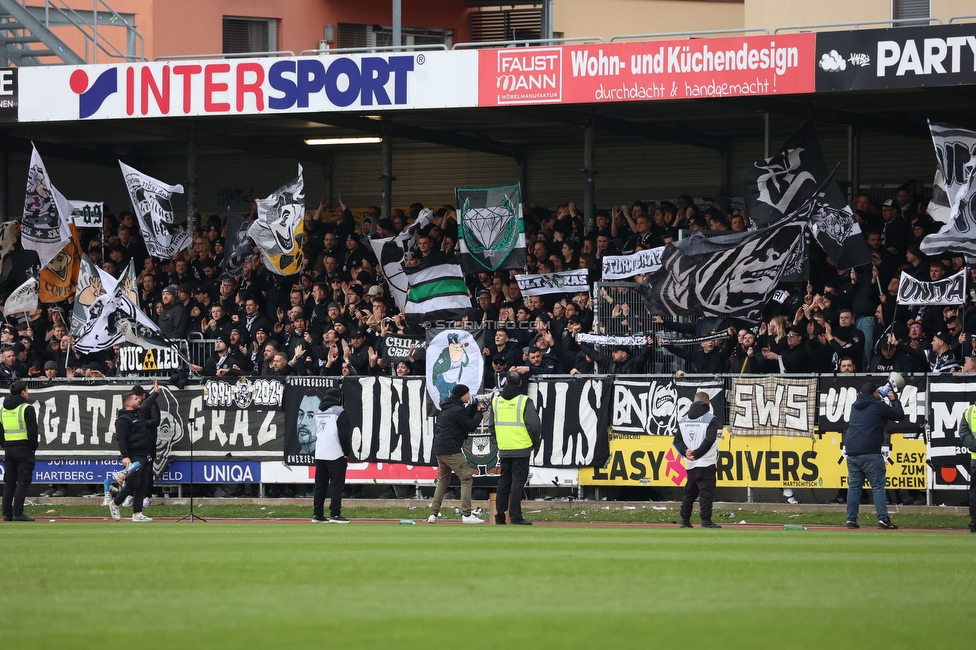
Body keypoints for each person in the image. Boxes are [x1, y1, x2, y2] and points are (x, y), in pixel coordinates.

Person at [844, 381, 904, 530]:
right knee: (877, 486)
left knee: (854, 487)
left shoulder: (855, 405)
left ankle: (851, 519)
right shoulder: (877, 405)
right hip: (870, 451)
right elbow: (899, 415)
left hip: (851, 451)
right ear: (874, 393)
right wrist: (893, 400)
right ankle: (883, 519)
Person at [428, 384, 488, 524]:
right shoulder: (456, 409)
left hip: (440, 449)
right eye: (467, 394)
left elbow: (463, 418)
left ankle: (433, 514)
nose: (469, 396)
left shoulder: (450, 407)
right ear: (461, 395)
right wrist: (480, 411)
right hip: (451, 450)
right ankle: (467, 515)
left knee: (443, 481)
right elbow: (471, 426)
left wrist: (473, 407)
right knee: (466, 478)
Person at [491, 371, 542, 525]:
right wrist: (534, 442)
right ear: (520, 384)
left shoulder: (496, 401)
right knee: (517, 483)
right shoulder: (524, 401)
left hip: (504, 447)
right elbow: (534, 426)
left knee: (504, 482)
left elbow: (491, 427)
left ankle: (499, 515)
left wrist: (500, 441)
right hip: (522, 446)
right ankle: (516, 516)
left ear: (506, 382)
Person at [108, 381, 160, 523]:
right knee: (133, 484)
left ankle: (137, 513)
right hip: (133, 455)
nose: (140, 400)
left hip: (145, 453)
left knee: (143, 484)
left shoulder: (139, 413)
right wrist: (125, 456)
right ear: (129, 403)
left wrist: (155, 393)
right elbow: (121, 438)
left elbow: (147, 404)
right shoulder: (123, 419)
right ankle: (115, 503)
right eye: (136, 399)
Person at [673, 391, 721, 529]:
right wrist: (697, 454)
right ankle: (706, 521)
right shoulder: (711, 419)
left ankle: (684, 520)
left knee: (689, 492)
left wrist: (686, 452)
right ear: (708, 403)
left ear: (693, 402)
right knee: (706, 493)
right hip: (706, 462)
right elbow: (710, 439)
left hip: (691, 463)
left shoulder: (682, 419)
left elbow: (677, 440)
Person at [311, 388, 353, 524]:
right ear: (338, 399)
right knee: (336, 484)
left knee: (320, 485)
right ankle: (335, 514)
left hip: (320, 452)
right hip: (335, 452)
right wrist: (346, 453)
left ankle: (317, 514)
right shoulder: (339, 412)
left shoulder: (318, 412)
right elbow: (344, 434)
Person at [1, 380, 39, 522]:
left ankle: (7, 514)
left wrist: (5, 445)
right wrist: (33, 448)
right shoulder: (26, 408)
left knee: (9, 482)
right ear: (22, 392)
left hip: (9, 449)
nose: (28, 393)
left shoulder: (3, 409)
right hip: (24, 449)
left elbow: (0, 431)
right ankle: (18, 513)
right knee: (23, 481)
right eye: (27, 390)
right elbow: (33, 432)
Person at [131, 385, 160, 508]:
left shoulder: (152, 404)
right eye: (135, 398)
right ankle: (131, 494)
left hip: (148, 441)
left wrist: (140, 423)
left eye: (138, 398)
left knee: (147, 469)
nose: (137, 400)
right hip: (135, 441)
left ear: (143, 396)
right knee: (134, 468)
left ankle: (147, 496)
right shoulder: (132, 405)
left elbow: (156, 421)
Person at [957, 404, 976, 533]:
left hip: (975, 459)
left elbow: (963, 432)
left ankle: (974, 525)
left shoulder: (970, 410)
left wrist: (974, 446)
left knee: (975, 494)